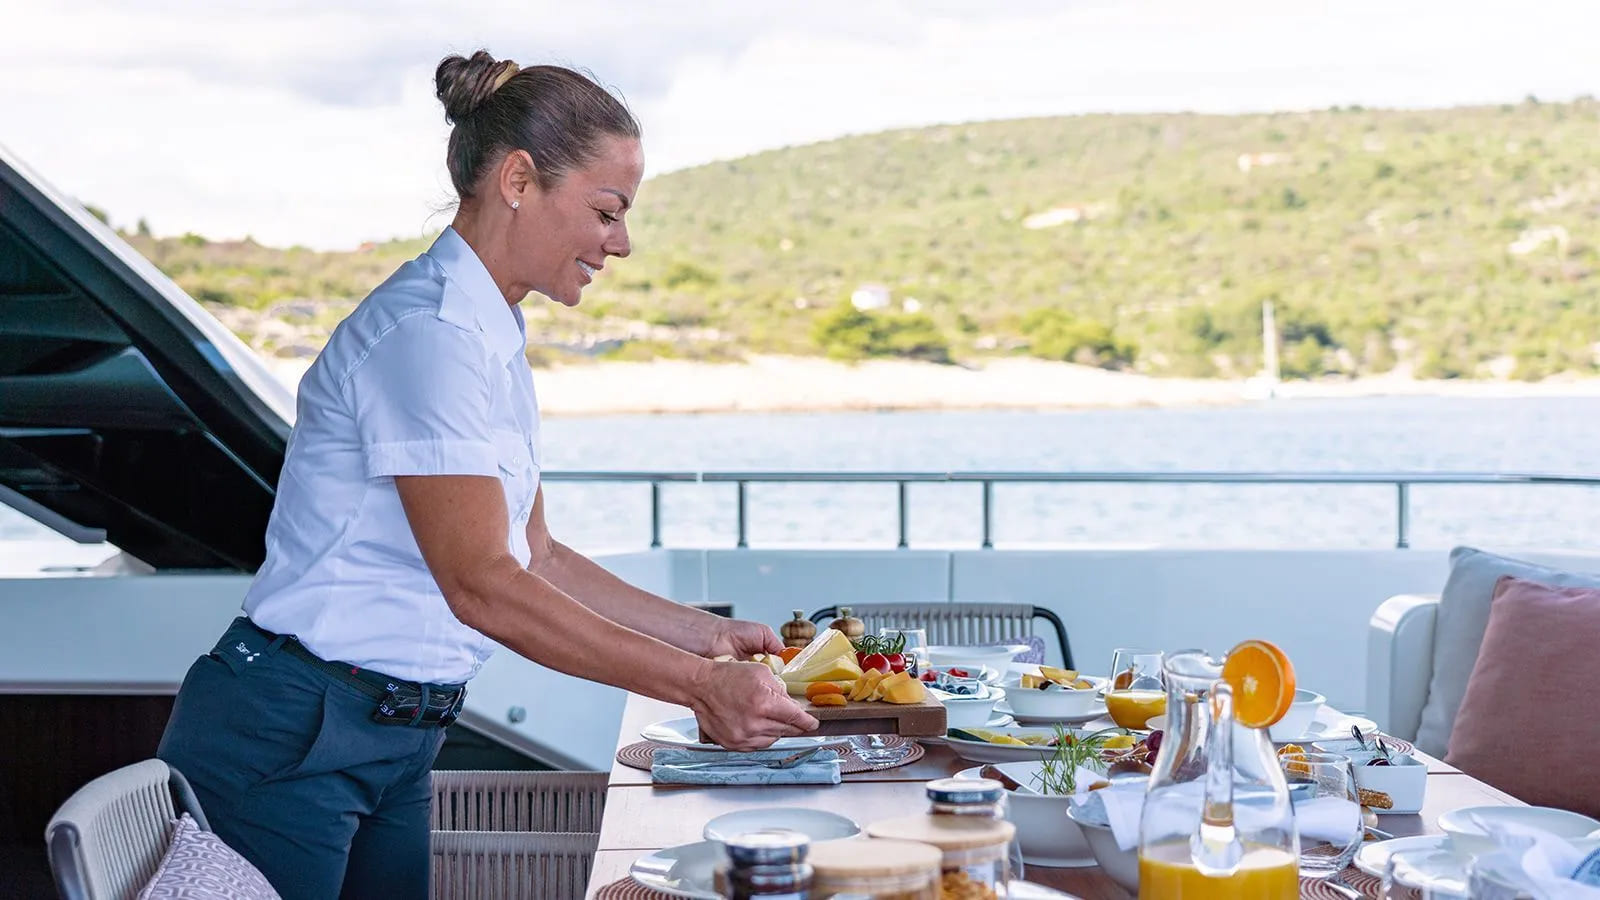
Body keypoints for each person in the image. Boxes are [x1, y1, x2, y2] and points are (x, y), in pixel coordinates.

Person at [156, 49, 818, 900]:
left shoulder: (490, 335)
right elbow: (482, 584)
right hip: (294, 731)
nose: (621, 242)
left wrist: (702, 636)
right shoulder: (427, 334)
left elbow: (535, 554)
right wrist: (697, 687)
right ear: (517, 180)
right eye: (607, 210)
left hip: (395, 733)